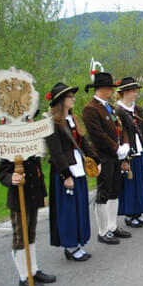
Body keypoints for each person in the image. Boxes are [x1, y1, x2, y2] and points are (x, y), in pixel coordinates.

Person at [0, 115, 56, 286]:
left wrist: (43, 194)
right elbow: (2, 173)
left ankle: (34, 270)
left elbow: (39, 171)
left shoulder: (33, 144)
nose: (32, 122)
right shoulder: (10, 146)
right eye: (28, 120)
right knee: (20, 238)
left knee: (31, 235)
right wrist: (11, 177)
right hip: (19, 199)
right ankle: (24, 277)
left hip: (34, 195)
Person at [46, 83, 100, 261]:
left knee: (79, 206)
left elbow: (83, 143)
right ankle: (70, 246)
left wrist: (95, 160)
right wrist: (65, 175)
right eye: (70, 96)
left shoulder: (73, 119)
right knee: (68, 210)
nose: (73, 99)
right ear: (62, 101)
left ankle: (78, 242)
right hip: (67, 170)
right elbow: (56, 152)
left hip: (79, 167)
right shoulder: (52, 123)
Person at [82, 72, 132, 245]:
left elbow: (122, 127)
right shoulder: (91, 109)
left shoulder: (109, 107)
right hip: (103, 156)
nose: (112, 90)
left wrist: (125, 145)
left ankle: (112, 226)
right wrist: (116, 147)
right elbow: (98, 135)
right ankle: (103, 230)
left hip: (116, 156)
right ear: (101, 89)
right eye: (109, 87)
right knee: (103, 193)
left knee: (114, 191)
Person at [115, 77, 143, 227]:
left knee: (140, 183)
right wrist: (123, 159)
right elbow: (119, 134)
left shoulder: (137, 109)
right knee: (130, 185)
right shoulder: (118, 111)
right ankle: (130, 215)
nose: (135, 94)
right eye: (133, 91)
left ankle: (138, 213)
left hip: (140, 150)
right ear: (125, 92)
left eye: (135, 91)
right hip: (128, 153)